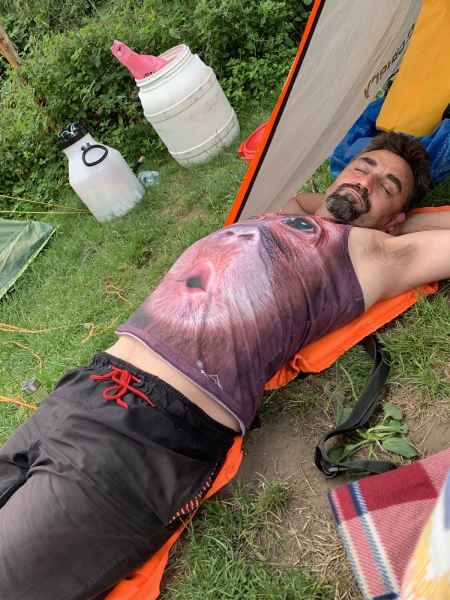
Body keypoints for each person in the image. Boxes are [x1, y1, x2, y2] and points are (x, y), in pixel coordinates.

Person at [1, 132, 449, 600]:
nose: (366, 182)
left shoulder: (373, 254)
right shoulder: (286, 217)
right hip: (80, 391)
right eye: (363, 167)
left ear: (395, 220)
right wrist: (359, 196)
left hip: (143, 436)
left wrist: (399, 224)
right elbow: (309, 198)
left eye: (387, 186)